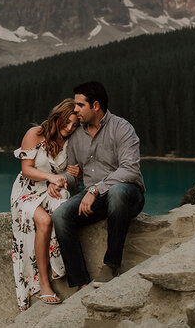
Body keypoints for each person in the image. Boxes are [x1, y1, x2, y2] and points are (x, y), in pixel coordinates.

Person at [51, 81, 145, 288]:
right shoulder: (76, 135)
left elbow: (130, 170)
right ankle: (80, 281)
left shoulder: (122, 128)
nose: (75, 110)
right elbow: (74, 173)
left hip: (128, 195)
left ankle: (111, 265)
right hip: (96, 200)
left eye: (79, 105)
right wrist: (61, 180)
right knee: (60, 215)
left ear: (95, 106)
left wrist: (95, 189)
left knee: (117, 192)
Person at [10, 98, 81, 310]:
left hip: (52, 189)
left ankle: (64, 269)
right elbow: (27, 169)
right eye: (66, 123)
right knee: (44, 221)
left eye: (75, 125)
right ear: (57, 117)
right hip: (27, 191)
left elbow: (73, 174)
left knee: (64, 211)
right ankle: (44, 283)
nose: (69, 128)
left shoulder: (73, 141)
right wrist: (51, 177)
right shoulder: (36, 134)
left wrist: (70, 176)